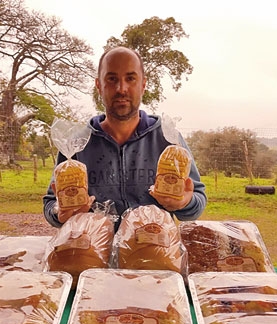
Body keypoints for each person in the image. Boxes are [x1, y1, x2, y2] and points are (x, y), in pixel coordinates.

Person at [43, 46, 206, 227]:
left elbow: (197, 199)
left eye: (130, 78)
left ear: (143, 84)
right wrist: (60, 213)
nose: (121, 89)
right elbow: (51, 203)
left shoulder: (169, 140)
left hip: (154, 249)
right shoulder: (76, 143)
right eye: (112, 79)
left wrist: (184, 203)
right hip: (93, 250)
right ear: (99, 85)